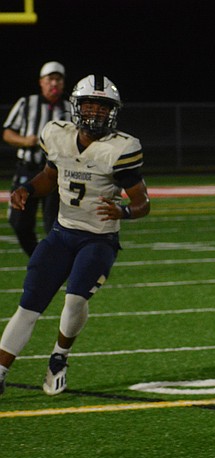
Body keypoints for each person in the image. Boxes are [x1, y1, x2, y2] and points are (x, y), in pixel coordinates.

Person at [0, 75, 150, 397]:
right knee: (28, 306)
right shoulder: (57, 135)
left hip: (98, 239)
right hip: (61, 233)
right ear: (76, 107)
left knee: (74, 299)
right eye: (89, 106)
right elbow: (50, 176)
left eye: (102, 107)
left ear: (112, 112)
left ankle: (59, 357)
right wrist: (26, 189)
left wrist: (123, 212)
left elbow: (142, 203)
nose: (95, 113)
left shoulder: (120, 149)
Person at [3, 61, 71, 256]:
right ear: (41, 82)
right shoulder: (26, 103)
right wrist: (26, 141)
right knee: (19, 221)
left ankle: (50, 262)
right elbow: (8, 132)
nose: (54, 84)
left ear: (63, 83)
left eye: (58, 79)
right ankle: (37, 256)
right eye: (50, 79)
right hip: (29, 169)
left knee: (55, 224)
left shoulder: (70, 107)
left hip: (57, 172)